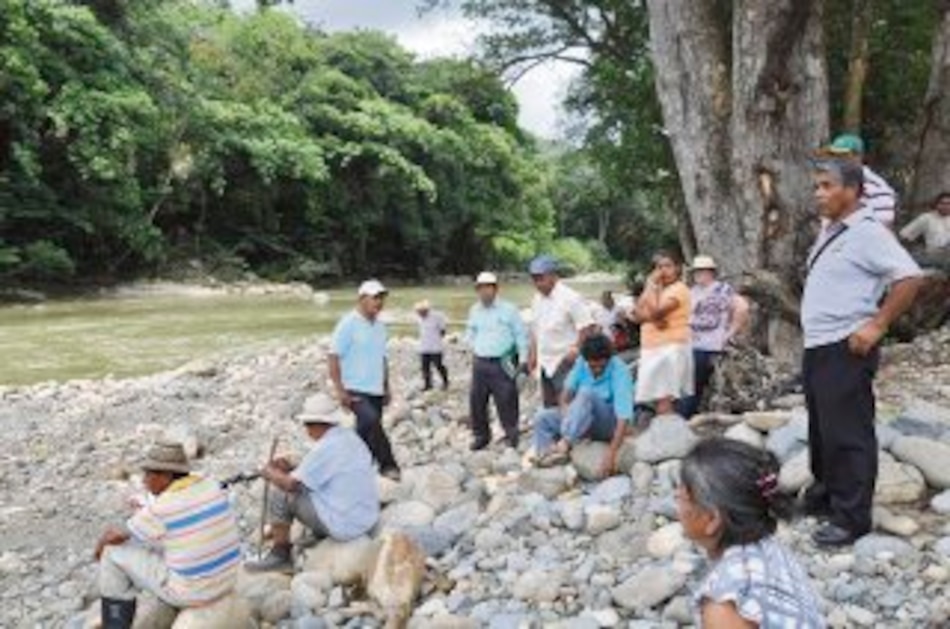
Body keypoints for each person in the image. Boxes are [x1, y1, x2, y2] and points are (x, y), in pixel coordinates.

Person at [803, 159, 922, 546]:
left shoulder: (868, 232)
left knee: (847, 433)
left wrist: (877, 324)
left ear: (852, 191)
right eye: (816, 186)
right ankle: (826, 495)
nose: (818, 193)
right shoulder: (831, 231)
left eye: (826, 186)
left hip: (846, 345)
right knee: (822, 430)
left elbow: (909, 276)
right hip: (818, 344)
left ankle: (852, 518)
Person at [678, 438, 825, 628]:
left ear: (712, 519)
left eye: (682, 497)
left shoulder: (723, 606)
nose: (676, 501)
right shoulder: (769, 547)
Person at [95, 442, 241, 628]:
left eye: (149, 474)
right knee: (159, 541)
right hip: (228, 580)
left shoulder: (162, 508)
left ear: (166, 475)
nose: (144, 480)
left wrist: (99, 549)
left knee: (112, 554)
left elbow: (115, 536)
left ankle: (115, 625)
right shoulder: (212, 485)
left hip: (195, 593)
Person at [246, 393, 379, 572]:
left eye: (307, 425)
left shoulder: (325, 447)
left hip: (346, 525)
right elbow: (322, 470)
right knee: (306, 486)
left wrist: (269, 472)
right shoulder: (349, 438)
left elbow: (290, 485)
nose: (306, 430)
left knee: (282, 494)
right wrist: (291, 466)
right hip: (367, 518)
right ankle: (317, 533)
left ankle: (280, 554)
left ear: (315, 425)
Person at [533, 333, 635, 478]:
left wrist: (611, 454)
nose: (598, 370)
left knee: (586, 394)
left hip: (607, 424)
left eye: (602, 366)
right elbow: (565, 396)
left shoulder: (620, 371)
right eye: (593, 367)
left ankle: (565, 444)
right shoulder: (581, 362)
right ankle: (545, 458)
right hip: (581, 421)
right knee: (542, 417)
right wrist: (568, 414)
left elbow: (623, 419)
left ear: (609, 359)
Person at [329, 279, 400, 481]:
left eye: (381, 298)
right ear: (362, 299)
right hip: (354, 388)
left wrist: (386, 386)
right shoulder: (347, 324)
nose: (379, 303)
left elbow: (382, 358)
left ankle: (352, 466)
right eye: (375, 298)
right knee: (371, 420)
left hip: (376, 388)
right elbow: (333, 356)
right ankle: (388, 465)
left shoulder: (380, 327)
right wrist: (340, 390)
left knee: (365, 430)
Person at [678, 255, 750, 418]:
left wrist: (729, 333)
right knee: (684, 383)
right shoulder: (693, 291)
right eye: (696, 271)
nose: (697, 274)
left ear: (710, 272)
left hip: (708, 345)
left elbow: (743, 308)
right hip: (689, 343)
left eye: (701, 271)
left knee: (692, 386)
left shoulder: (722, 289)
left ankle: (683, 419)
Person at [465, 271, 529, 450]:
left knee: (507, 398)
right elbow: (470, 331)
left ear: (496, 289)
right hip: (480, 362)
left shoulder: (509, 309)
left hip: (503, 362)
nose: (484, 292)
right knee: (477, 400)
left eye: (488, 288)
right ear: (477, 290)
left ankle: (511, 433)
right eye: (481, 288)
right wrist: (470, 343)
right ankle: (481, 436)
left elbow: (520, 336)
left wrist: (523, 361)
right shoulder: (474, 309)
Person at [528, 255, 596, 408]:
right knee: (550, 404)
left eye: (540, 278)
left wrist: (576, 349)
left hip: (565, 361)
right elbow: (536, 329)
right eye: (534, 279)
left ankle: (572, 431)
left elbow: (586, 326)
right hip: (545, 362)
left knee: (568, 403)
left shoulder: (570, 297)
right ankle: (555, 430)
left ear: (553, 276)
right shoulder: (536, 299)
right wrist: (532, 354)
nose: (537, 283)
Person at [632, 251, 693, 416]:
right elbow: (636, 314)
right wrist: (652, 316)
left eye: (668, 266)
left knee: (665, 397)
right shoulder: (656, 288)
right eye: (659, 267)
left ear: (678, 268)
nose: (663, 271)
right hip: (652, 347)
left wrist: (653, 315)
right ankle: (664, 433)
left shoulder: (680, 289)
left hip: (671, 347)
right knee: (658, 398)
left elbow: (656, 313)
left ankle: (665, 435)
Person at [823, 133, 897, 227]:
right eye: (834, 155)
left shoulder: (876, 187)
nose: (837, 160)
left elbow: (883, 224)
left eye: (842, 155)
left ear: (857, 157)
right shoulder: (831, 183)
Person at [899, 191, 950, 264]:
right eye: (942, 203)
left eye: (948, 204)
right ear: (936, 204)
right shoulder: (926, 218)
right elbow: (905, 235)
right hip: (934, 255)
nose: (946, 206)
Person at [415, 299, 449, 391]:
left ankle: (445, 382)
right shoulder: (418, 318)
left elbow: (443, 331)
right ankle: (428, 384)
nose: (419, 313)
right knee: (425, 367)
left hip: (435, 347)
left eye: (421, 311)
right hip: (423, 346)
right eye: (418, 312)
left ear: (426, 310)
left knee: (439, 365)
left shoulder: (437, 316)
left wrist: (437, 339)